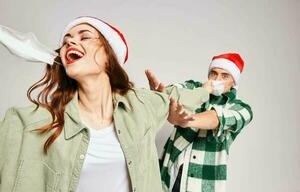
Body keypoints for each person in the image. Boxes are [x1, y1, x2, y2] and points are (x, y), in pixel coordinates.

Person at [0, 16, 210, 192]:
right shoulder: (29, 122)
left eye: (85, 37)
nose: (70, 43)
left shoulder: (141, 106)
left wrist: (209, 88)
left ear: (109, 57)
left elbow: (178, 96)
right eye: (66, 42)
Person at [146, 53, 253, 192]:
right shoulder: (194, 88)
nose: (217, 79)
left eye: (224, 76)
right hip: (170, 176)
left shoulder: (242, 108)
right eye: (214, 74)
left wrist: (185, 121)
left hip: (202, 184)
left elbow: (216, 118)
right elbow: (172, 93)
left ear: (234, 82)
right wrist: (161, 94)